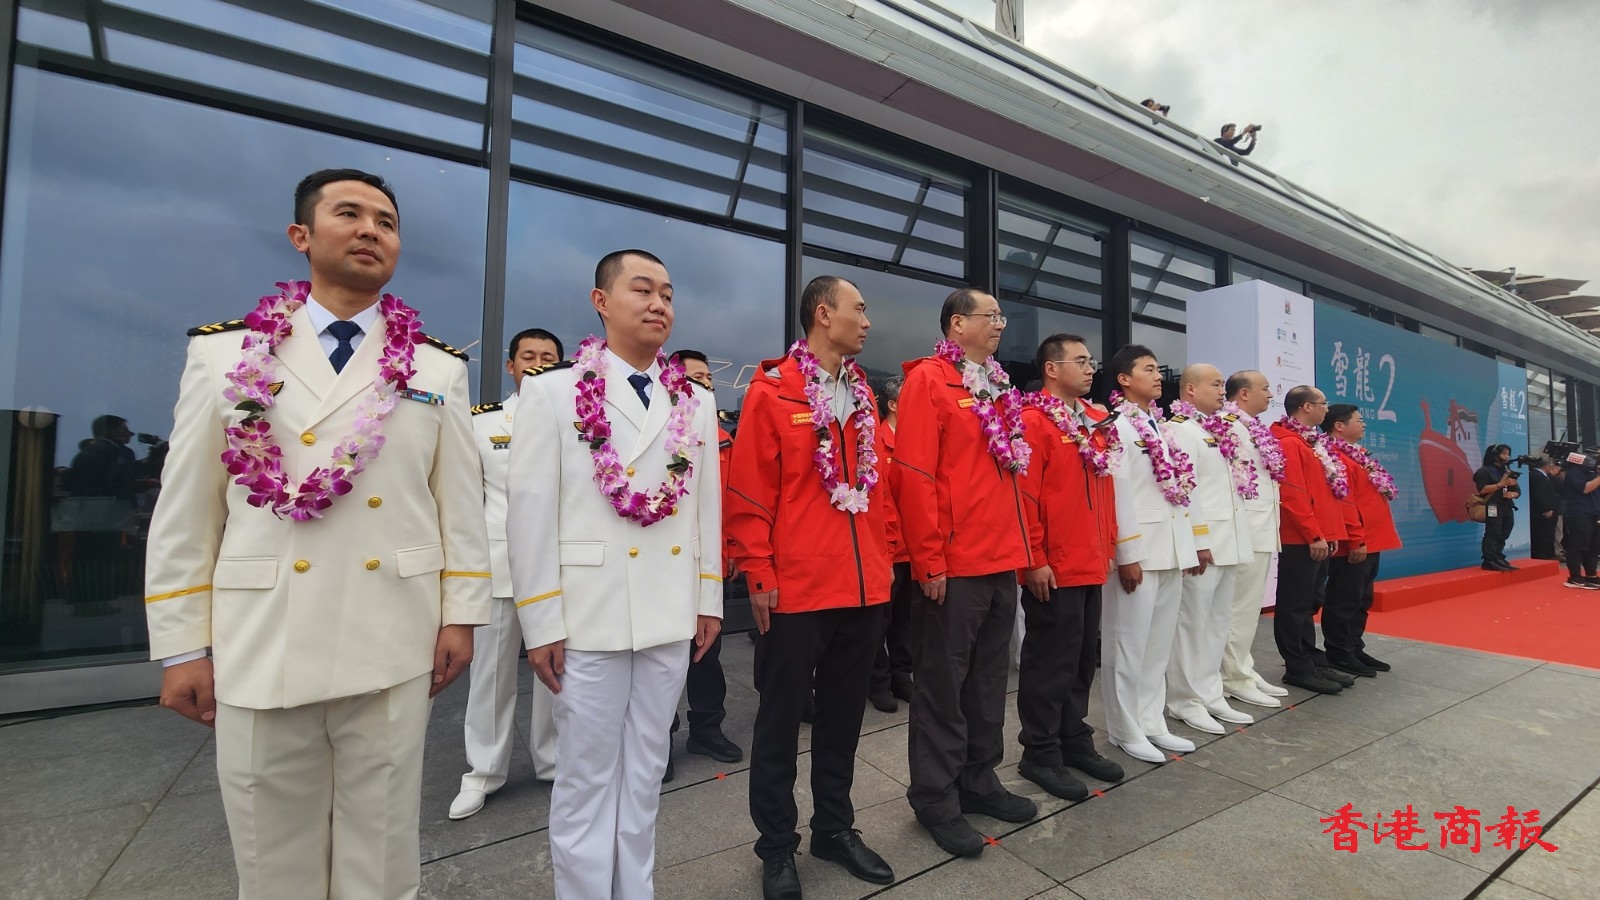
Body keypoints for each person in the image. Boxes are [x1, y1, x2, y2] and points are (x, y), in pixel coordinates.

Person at [144, 168, 492, 899]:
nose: (371, 230)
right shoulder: (226, 355)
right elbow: (187, 509)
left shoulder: (436, 367)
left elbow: (457, 504)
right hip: (263, 634)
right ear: (301, 235)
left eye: (386, 222)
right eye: (349, 214)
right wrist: (181, 645)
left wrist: (462, 613)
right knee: (273, 861)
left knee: (383, 855)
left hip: (393, 632)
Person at [506, 249, 723, 899]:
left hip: (667, 609)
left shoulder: (694, 401)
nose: (659, 304)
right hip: (587, 614)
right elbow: (530, 513)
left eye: (668, 294)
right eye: (643, 290)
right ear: (601, 302)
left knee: (646, 770)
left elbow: (705, 508)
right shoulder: (553, 391)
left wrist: (708, 598)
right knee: (585, 778)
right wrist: (540, 620)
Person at [727, 275, 896, 900]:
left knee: (843, 720)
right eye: (859, 309)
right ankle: (776, 847)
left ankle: (834, 829)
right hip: (796, 590)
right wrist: (759, 571)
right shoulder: (773, 391)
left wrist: (885, 561)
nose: (868, 321)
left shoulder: (862, 393)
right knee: (779, 725)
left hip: (862, 588)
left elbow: (877, 490)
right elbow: (749, 490)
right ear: (824, 314)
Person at [895, 288, 1037, 857]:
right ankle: (935, 796)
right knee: (942, 688)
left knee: (987, 682)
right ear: (957, 324)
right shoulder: (929, 381)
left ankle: (979, 778)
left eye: (1001, 316)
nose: (1000, 324)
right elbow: (913, 475)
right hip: (954, 565)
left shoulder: (997, 383)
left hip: (1001, 558)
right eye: (990, 315)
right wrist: (929, 559)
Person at [450, 328, 564, 821]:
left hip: (558, 568)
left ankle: (554, 761)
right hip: (499, 567)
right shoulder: (482, 423)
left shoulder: (578, 421)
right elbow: (464, 501)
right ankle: (483, 771)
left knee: (556, 672)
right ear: (510, 365)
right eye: (528, 356)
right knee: (490, 675)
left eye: (548, 358)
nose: (537, 364)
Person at [1014, 334, 1125, 800]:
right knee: (1050, 663)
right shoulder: (1032, 421)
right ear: (1052, 368)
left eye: (1090, 360)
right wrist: (1035, 559)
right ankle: (1040, 751)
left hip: (1090, 558)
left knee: (1081, 659)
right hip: (1055, 566)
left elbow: (1106, 489)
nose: (1090, 368)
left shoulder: (1095, 420)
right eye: (1080, 361)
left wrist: (1110, 544)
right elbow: (1025, 496)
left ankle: (1073, 737)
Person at [1101, 346, 1206, 765]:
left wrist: (1188, 545)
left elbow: (1177, 492)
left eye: (1158, 370)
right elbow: (1118, 492)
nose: (1159, 376)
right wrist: (1127, 552)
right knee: (1127, 645)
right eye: (1148, 369)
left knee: (1157, 645)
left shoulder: (1159, 427)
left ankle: (1151, 719)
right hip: (1140, 551)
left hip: (1170, 548)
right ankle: (1125, 728)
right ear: (1124, 379)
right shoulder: (1116, 426)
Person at [663, 348, 744, 779]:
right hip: (663, 560)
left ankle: (707, 728)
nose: (706, 384)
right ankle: (659, 738)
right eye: (696, 378)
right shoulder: (659, 430)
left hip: (706, 560)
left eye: (708, 378)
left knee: (707, 649)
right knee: (664, 652)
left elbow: (726, 504)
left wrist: (727, 552)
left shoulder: (724, 438)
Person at [1164, 364, 1256, 735]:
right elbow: (1187, 491)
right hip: (1205, 544)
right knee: (1193, 624)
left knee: (1217, 623)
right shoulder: (1179, 429)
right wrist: (1198, 540)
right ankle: (1185, 700)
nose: (1222, 390)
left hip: (1228, 540)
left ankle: (1210, 692)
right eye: (1215, 384)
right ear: (1190, 389)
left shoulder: (1214, 429)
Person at [1270, 385, 1353, 695]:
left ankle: (1311, 659)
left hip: (1317, 536)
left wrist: (1330, 534)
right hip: (1300, 538)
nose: (1326, 409)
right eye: (1323, 403)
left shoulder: (1311, 442)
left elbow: (1322, 494)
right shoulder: (1289, 442)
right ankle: (1297, 666)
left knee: (1309, 601)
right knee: (1295, 604)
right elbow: (1294, 495)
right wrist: (1314, 534)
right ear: (1306, 407)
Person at [1218, 371, 1289, 709]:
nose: (1270, 395)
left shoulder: (1251, 427)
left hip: (1261, 527)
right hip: (1244, 529)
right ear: (1244, 393)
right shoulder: (1228, 426)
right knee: (1238, 608)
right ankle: (1232, 676)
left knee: (1248, 609)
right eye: (1265, 389)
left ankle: (1242, 667)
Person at [1319, 404, 1401, 678]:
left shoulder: (1356, 455)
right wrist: (1356, 540)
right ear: (1339, 426)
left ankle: (1354, 647)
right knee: (1345, 598)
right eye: (1359, 420)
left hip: (1371, 539)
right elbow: (1345, 502)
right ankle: (1339, 652)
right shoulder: (1333, 457)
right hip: (1354, 542)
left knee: (1362, 598)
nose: (1364, 424)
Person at [869, 374, 915, 714]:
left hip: (913, 550)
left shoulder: (916, 441)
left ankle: (902, 675)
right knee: (878, 623)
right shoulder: (875, 441)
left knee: (905, 622)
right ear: (894, 405)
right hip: (886, 550)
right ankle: (878, 681)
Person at [1473, 444, 1520, 571]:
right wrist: (1500, 484)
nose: (1507, 457)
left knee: (1506, 529)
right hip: (1492, 505)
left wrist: (1513, 494)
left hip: (1507, 505)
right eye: (1504, 454)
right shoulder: (1484, 471)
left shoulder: (1507, 471)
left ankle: (1498, 556)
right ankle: (1489, 560)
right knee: (1493, 531)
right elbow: (1482, 489)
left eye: (1508, 454)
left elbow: (1517, 490)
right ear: (1494, 455)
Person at [1560, 461, 1600, 590]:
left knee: (1594, 546)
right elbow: (1585, 488)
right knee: (1578, 545)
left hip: (1595, 512)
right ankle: (1575, 577)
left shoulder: (1594, 473)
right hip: (1579, 513)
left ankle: (1591, 575)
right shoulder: (1575, 472)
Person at [1528, 457, 1564, 562]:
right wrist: (1546, 508)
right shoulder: (1537, 476)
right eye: (1551, 466)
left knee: (1548, 534)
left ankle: (1547, 554)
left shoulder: (1543, 476)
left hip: (1548, 510)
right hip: (1541, 512)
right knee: (1542, 534)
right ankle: (1542, 555)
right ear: (1546, 465)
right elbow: (1540, 494)